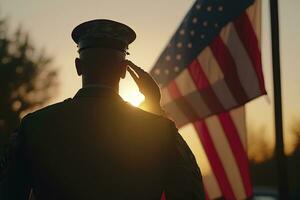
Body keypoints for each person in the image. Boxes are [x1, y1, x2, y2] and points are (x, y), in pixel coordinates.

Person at [0, 19, 205, 200]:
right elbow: (189, 191)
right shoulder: (159, 130)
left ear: (78, 66)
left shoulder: (34, 125)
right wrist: (155, 108)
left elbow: (9, 191)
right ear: (124, 70)